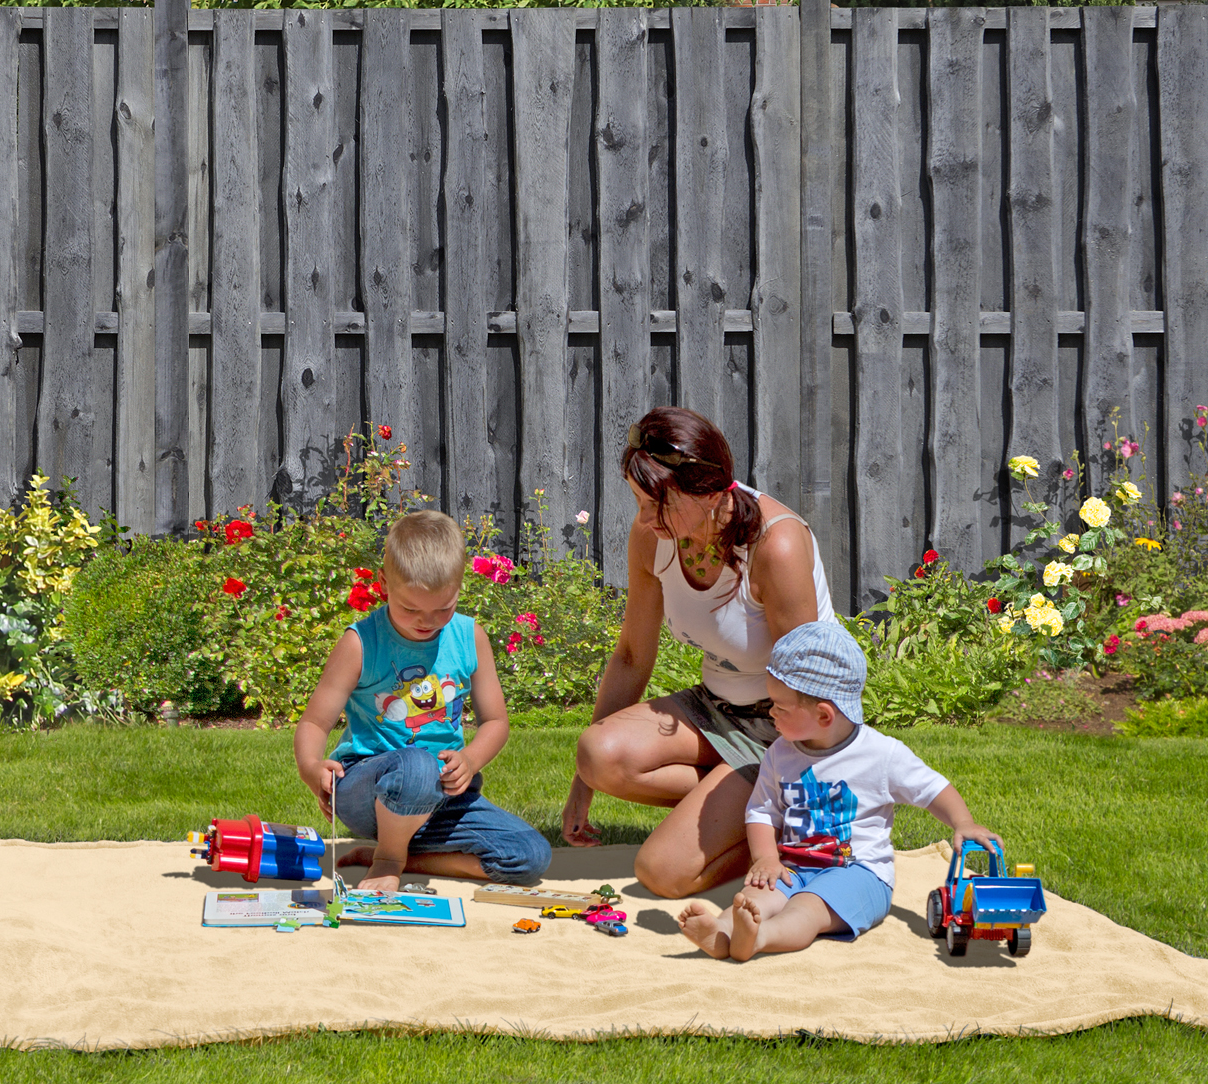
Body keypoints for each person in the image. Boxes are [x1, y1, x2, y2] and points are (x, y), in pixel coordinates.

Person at [564, 407, 831, 897]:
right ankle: (738, 800)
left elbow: (807, 687)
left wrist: (792, 777)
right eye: (639, 502)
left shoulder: (776, 546)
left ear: (709, 493)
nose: (645, 519)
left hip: (784, 728)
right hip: (717, 708)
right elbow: (631, 655)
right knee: (597, 755)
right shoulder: (654, 537)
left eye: (658, 505)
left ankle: (783, 817)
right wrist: (584, 784)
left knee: (662, 872)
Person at [679, 620, 1001, 959]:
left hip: (857, 874)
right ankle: (722, 932)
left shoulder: (880, 754)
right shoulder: (780, 753)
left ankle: (760, 938)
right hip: (794, 867)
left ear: (824, 716)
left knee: (807, 908)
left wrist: (963, 822)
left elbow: (932, 789)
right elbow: (762, 811)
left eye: (779, 707)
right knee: (755, 899)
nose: (770, 712)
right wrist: (767, 859)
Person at [294, 509, 553, 892]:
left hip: (441, 797)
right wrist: (310, 767)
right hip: (368, 788)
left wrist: (470, 760)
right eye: (411, 609)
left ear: (459, 587)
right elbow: (315, 722)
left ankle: (402, 855)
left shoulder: (469, 637)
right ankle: (388, 858)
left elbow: (496, 722)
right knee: (417, 765)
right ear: (384, 583)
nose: (427, 621)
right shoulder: (361, 642)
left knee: (529, 855)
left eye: (442, 608)